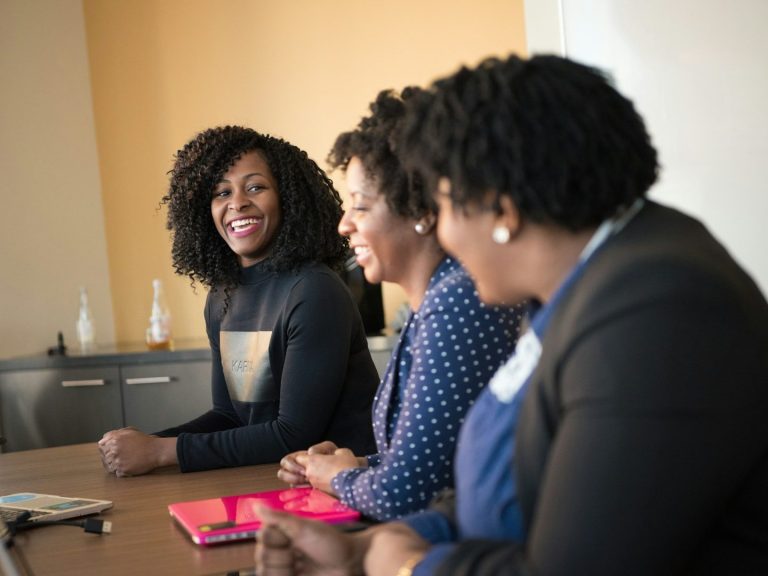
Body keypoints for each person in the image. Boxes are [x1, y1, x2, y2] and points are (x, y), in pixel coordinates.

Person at [254, 55, 768, 576]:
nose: (444, 236)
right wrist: (384, 542)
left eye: (446, 205)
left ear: (502, 208)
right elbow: (521, 477)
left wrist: (411, 566)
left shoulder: (658, 309)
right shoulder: (590, 284)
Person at [277, 88, 523, 521]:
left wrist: (338, 479)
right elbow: (434, 464)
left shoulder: (457, 302)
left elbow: (405, 495)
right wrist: (348, 467)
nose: (344, 224)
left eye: (360, 206)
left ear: (420, 210)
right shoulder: (435, 300)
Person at [98, 126, 379, 476]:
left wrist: (160, 451)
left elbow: (292, 433)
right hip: (265, 476)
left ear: (287, 198)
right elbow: (229, 416)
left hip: (343, 489)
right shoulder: (222, 295)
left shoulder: (314, 290)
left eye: (256, 187)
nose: (237, 203)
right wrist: (146, 443)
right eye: (221, 192)